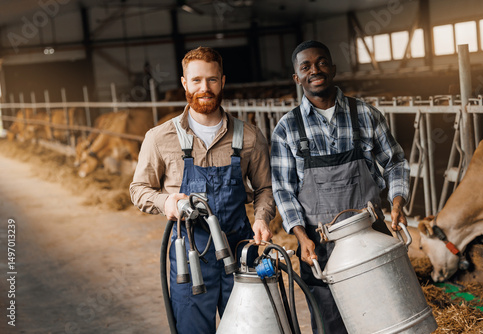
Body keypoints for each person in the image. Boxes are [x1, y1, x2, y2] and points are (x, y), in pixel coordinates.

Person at [130, 46, 275, 334]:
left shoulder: (248, 136)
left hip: (240, 251)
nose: (204, 88)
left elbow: (265, 188)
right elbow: (139, 189)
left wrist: (262, 218)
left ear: (222, 81)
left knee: (251, 328)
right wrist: (166, 202)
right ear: (184, 83)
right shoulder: (160, 138)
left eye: (211, 80)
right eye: (195, 80)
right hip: (188, 256)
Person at [271, 40, 410, 333]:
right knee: (330, 323)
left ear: (333, 69)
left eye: (321, 62)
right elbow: (283, 189)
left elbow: (396, 161)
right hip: (318, 244)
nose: (315, 70)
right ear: (297, 78)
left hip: (371, 234)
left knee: (384, 317)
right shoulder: (287, 127)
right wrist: (299, 236)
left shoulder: (366, 115)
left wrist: (397, 203)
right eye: (305, 66)